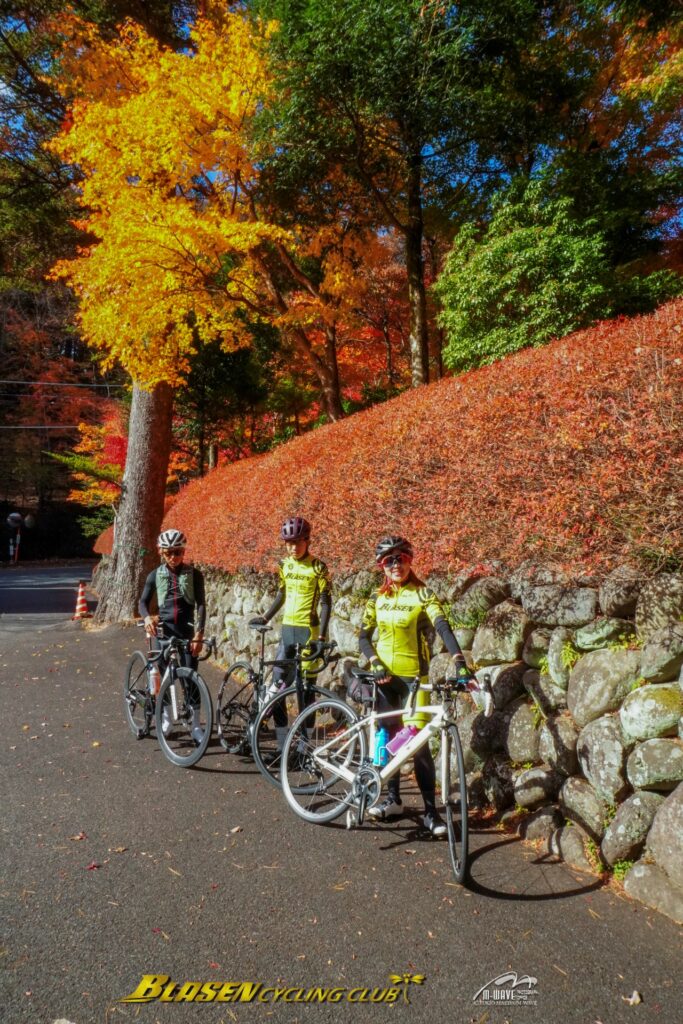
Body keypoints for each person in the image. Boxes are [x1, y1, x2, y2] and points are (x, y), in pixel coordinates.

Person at [358, 535, 481, 836]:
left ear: (410, 560)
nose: (395, 565)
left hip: (415, 680)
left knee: (418, 745)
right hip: (385, 679)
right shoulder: (377, 598)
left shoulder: (423, 595)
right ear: (381, 567)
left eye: (400, 558)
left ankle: (431, 813)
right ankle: (393, 800)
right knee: (387, 740)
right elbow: (363, 637)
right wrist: (374, 662)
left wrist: (460, 661)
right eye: (389, 561)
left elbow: (443, 627)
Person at [249, 516, 331, 748]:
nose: (293, 547)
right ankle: (282, 740)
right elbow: (281, 594)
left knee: (305, 691)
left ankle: (305, 745)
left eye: (297, 542)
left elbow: (326, 603)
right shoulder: (284, 565)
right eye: (288, 543)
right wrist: (266, 617)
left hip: (309, 631)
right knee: (278, 687)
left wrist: (322, 637)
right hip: (287, 630)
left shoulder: (318, 567)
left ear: (307, 540)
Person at [139, 529, 206, 739]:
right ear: (161, 552)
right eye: (168, 553)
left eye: (177, 552)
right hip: (163, 631)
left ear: (183, 551)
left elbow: (202, 605)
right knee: (164, 677)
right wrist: (147, 618)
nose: (173, 557)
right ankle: (167, 720)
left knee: (191, 678)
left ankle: (195, 724)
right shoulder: (154, 575)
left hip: (186, 631)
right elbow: (142, 602)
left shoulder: (195, 575)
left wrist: (199, 634)